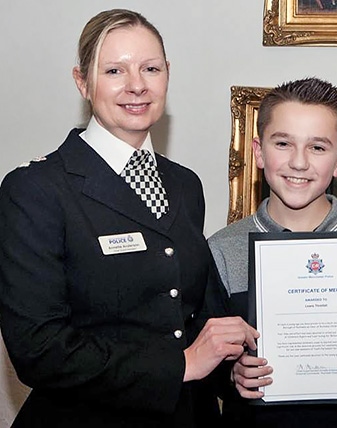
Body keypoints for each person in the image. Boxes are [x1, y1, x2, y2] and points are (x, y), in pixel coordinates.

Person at [0, 9, 258, 428]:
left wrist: (234, 371)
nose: (136, 85)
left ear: (167, 75)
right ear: (82, 82)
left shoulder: (184, 184)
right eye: (114, 70)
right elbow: (39, 349)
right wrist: (178, 365)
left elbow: (195, 313)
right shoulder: (36, 190)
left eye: (150, 68)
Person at [207, 77, 337, 427]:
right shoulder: (222, 248)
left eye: (318, 148)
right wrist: (234, 375)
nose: (298, 162)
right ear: (259, 151)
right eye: (283, 143)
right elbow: (210, 363)